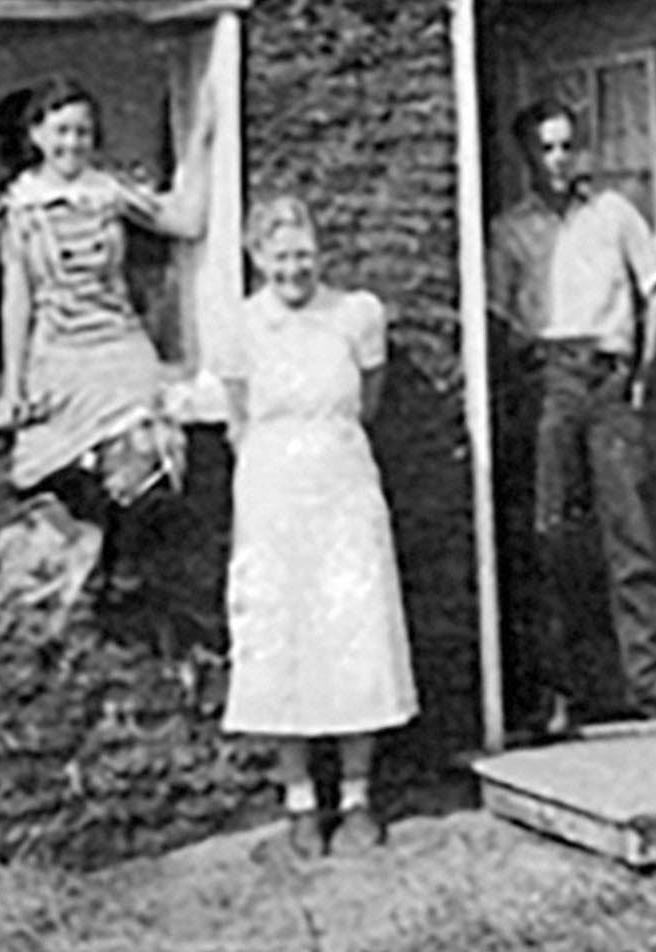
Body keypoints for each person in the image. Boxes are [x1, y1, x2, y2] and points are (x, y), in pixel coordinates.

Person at [486, 98, 656, 732]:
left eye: (567, 146)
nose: (558, 160)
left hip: (610, 380)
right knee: (551, 537)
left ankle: (652, 678)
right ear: (527, 155)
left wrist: (644, 370)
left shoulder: (614, 214)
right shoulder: (511, 230)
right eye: (546, 148)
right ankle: (557, 693)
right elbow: (500, 320)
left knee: (630, 529)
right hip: (551, 379)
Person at [219, 194, 418, 859]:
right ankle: (300, 803)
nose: (294, 268)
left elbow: (370, 399)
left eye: (304, 253)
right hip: (274, 491)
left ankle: (357, 798)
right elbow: (239, 415)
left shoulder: (354, 315)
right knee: (281, 635)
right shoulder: (243, 324)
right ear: (257, 257)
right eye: (280, 256)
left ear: (320, 253)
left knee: (352, 630)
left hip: (342, 485)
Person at [0, 78, 211, 503]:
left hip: (119, 350)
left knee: (144, 467)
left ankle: (130, 559)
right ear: (37, 136)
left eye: (82, 131)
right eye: (61, 131)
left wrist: (202, 138)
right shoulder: (21, 205)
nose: (72, 143)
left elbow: (187, 222)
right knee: (67, 483)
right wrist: (12, 388)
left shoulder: (108, 192)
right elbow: (18, 300)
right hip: (59, 355)